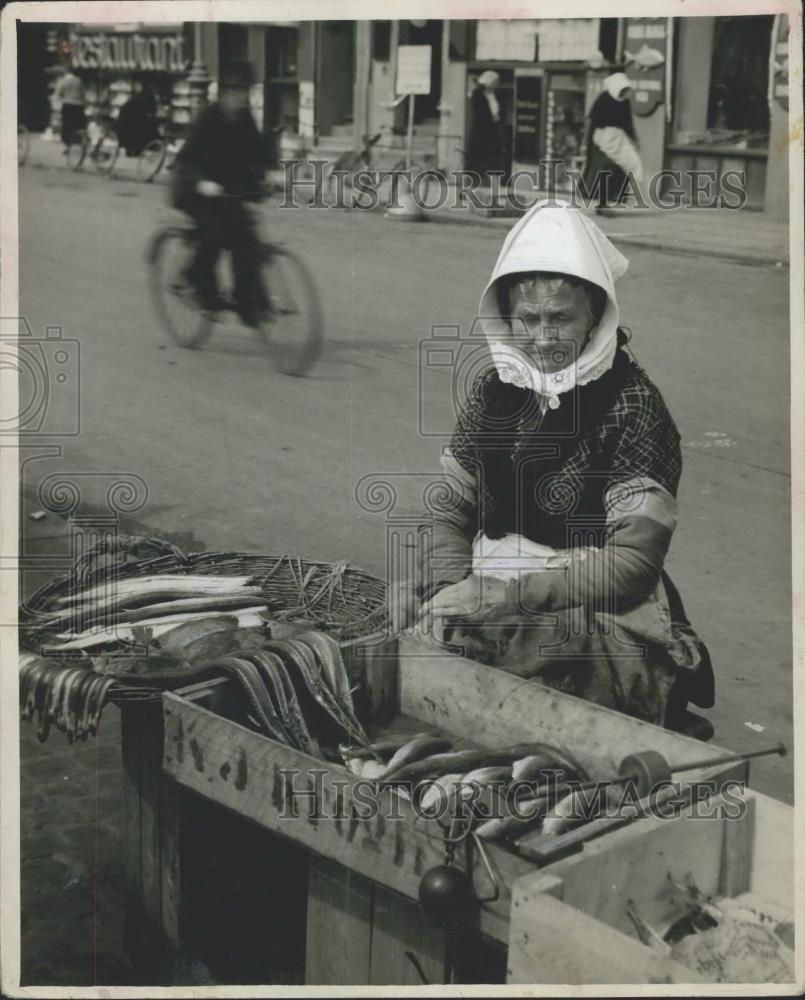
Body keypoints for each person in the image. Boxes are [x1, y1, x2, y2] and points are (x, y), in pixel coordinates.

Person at [392, 202, 714, 729]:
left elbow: (632, 566)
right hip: (488, 591)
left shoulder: (633, 407)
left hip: (589, 610)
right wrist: (453, 590)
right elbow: (450, 509)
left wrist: (508, 598)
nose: (543, 338)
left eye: (561, 318)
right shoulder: (494, 388)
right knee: (403, 638)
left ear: (594, 315)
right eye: (529, 319)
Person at [171, 62, 270, 326]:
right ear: (223, 93)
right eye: (236, 92)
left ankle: (247, 303)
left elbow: (258, 151)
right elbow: (186, 159)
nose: (240, 98)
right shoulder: (208, 117)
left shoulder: (245, 118)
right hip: (193, 188)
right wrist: (201, 183)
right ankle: (195, 280)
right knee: (214, 232)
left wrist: (273, 173)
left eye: (245, 92)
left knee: (246, 238)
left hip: (226, 190)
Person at [583, 72, 643, 209]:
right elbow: (592, 121)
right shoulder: (604, 99)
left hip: (618, 140)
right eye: (621, 89)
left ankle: (613, 198)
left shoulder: (624, 102)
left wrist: (635, 139)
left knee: (629, 164)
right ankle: (602, 202)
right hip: (602, 139)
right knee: (604, 170)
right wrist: (587, 142)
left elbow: (628, 123)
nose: (623, 93)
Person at [469, 70, 504, 180]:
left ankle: (489, 180)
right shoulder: (479, 93)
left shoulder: (493, 94)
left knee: (491, 156)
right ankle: (477, 180)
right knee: (481, 157)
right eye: (495, 83)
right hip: (482, 130)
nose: (497, 85)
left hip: (492, 129)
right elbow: (481, 112)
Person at [116, 80, 158, 157]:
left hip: (127, 118)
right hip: (134, 118)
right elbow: (152, 111)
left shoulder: (138, 97)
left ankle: (130, 150)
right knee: (140, 133)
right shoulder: (149, 97)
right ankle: (137, 150)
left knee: (132, 133)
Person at [55, 65, 86, 151]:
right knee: (79, 126)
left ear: (65, 71)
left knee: (67, 127)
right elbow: (83, 94)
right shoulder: (79, 80)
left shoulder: (62, 81)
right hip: (79, 106)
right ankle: (82, 144)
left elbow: (58, 94)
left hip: (68, 105)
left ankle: (67, 147)